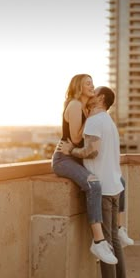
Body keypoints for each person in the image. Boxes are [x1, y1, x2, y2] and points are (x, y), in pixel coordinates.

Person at [59, 86, 128, 278]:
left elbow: (92, 150)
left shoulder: (95, 121)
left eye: (94, 91)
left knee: (105, 243)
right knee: (114, 240)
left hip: (105, 189)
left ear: (100, 98)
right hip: (115, 185)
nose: (91, 94)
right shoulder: (109, 122)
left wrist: (71, 151)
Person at [52, 74, 118, 265]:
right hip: (64, 159)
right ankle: (98, 241)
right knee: (94, 184)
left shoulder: (84, 109)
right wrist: (91, 120)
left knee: (118, 180)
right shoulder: (74, 105)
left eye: (93, 83)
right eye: (88, 83)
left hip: (75, 158)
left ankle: (118, 230)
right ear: (79, 86)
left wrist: (90, 116)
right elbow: (74, 139)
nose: (92, 86)